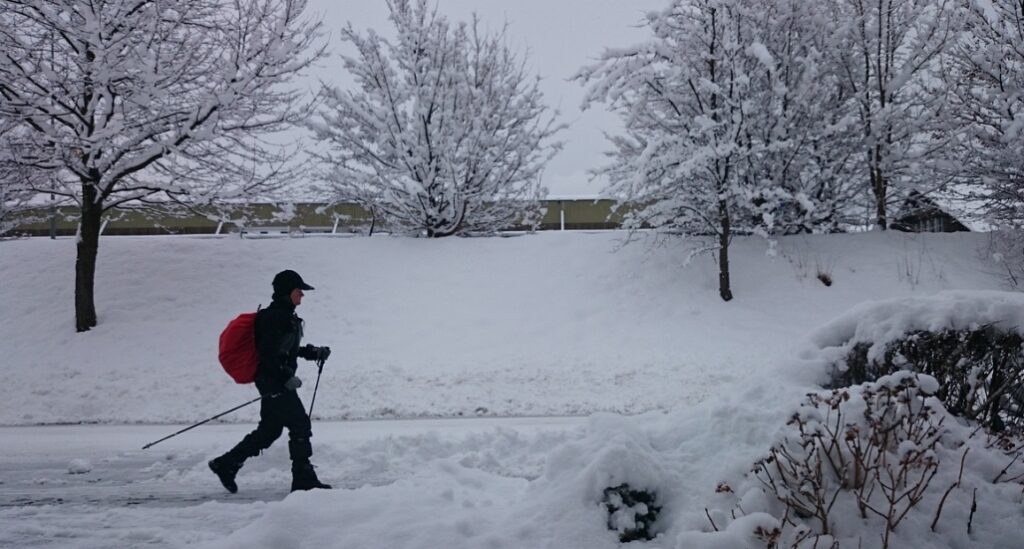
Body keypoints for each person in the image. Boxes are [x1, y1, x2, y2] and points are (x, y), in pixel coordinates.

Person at [209, 269, 333, 493]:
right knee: (300, 424)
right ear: (288, 292)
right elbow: (268, 354)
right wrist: (286, 377)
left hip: (273, 379)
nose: (302, 296)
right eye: (299, 291)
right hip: (273, 381)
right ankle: (303, 480)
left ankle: (226, 463)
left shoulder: (284, 314)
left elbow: (284, 350)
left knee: (270, 429)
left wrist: (311, 352)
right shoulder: (276, 316)